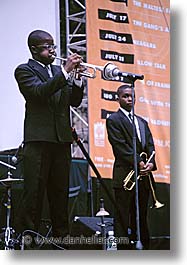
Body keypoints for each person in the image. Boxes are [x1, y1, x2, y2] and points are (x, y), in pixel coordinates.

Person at [14, 29, 84, 248]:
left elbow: (73, 101)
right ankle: (29, 244)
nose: (52, 50)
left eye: (53, 45)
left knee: (60, 195)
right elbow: (38, 93)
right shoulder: (24, 70)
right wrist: (64, 72)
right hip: (38, 141)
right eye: (47, 46)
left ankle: (62, 244)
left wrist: (78, 79)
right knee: (34, 195)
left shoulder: (57, 71)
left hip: (61, 140)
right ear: (34, 49)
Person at [106, 84, 157, 250]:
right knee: (122, 218)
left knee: (141, 216)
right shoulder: (113, 120)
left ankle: (144, 250)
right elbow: (120, 147)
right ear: (118, 98)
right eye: (125, 96)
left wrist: (150, 163)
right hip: (125, 176)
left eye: (131, 96)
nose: (129, 99)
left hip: (143, 177)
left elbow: (150, 145)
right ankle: (123, 252)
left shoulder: (142, 121)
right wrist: (138, 162)